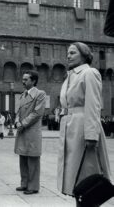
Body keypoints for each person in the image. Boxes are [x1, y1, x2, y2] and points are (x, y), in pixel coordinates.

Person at [57, 42, 111, 207]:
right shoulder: (70, 76)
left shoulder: (89, 73)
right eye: (68, 53)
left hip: (82, 129)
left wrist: (91, 135)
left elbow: (93, 105)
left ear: (84, 54)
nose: (68, 56)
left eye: (73, 52)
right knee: (76, 179)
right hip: (70, 128)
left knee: (87, 177)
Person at [14, 70, 46, 195]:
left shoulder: (40, 94)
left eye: (26, 79)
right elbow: (18, 111)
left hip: (32, 131)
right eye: (23, 79)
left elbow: (37, 113)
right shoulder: (23, 95)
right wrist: (17, 121)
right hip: (22, 130)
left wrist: (23, 123)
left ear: (33, 81)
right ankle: (24, 183)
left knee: (32, 159)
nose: (23, 81)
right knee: (23, 157)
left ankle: (33, 186)